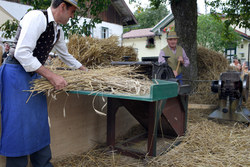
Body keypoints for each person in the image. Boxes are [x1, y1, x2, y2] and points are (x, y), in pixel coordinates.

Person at [0, 0, 87, 166]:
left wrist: (86, 71)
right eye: (72, 12)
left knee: (38, 123)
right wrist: (52, 76)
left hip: (34, 77)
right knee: (18, 126)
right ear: (62, 7)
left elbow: (65, 55)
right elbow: (22, 53)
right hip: (16, 76)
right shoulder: (37, 17)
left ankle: (43, 163)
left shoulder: (57, 30)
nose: (72, 16)